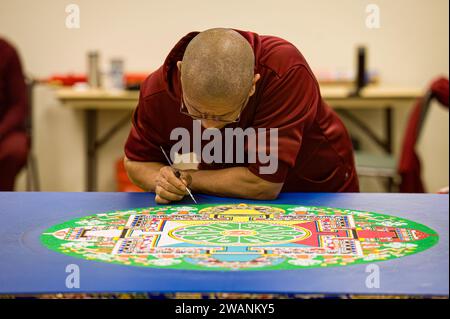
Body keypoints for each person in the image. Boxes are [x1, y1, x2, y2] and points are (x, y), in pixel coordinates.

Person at [124, 28, 359, 204]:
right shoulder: (159, 90)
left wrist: (189, 179)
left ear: (252, 86)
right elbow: (137, 161)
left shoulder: (284, 71)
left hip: (311, 186)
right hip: (224, 191)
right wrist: (162, 180)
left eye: (225, 115)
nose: (208, 126)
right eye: (195, 112)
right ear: (181, 72)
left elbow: (263, 184)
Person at [0, 38, 29, 191]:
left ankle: (3, 207)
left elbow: (20, 105)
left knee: (14, 150)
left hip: (5, 130)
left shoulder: (7, 51)